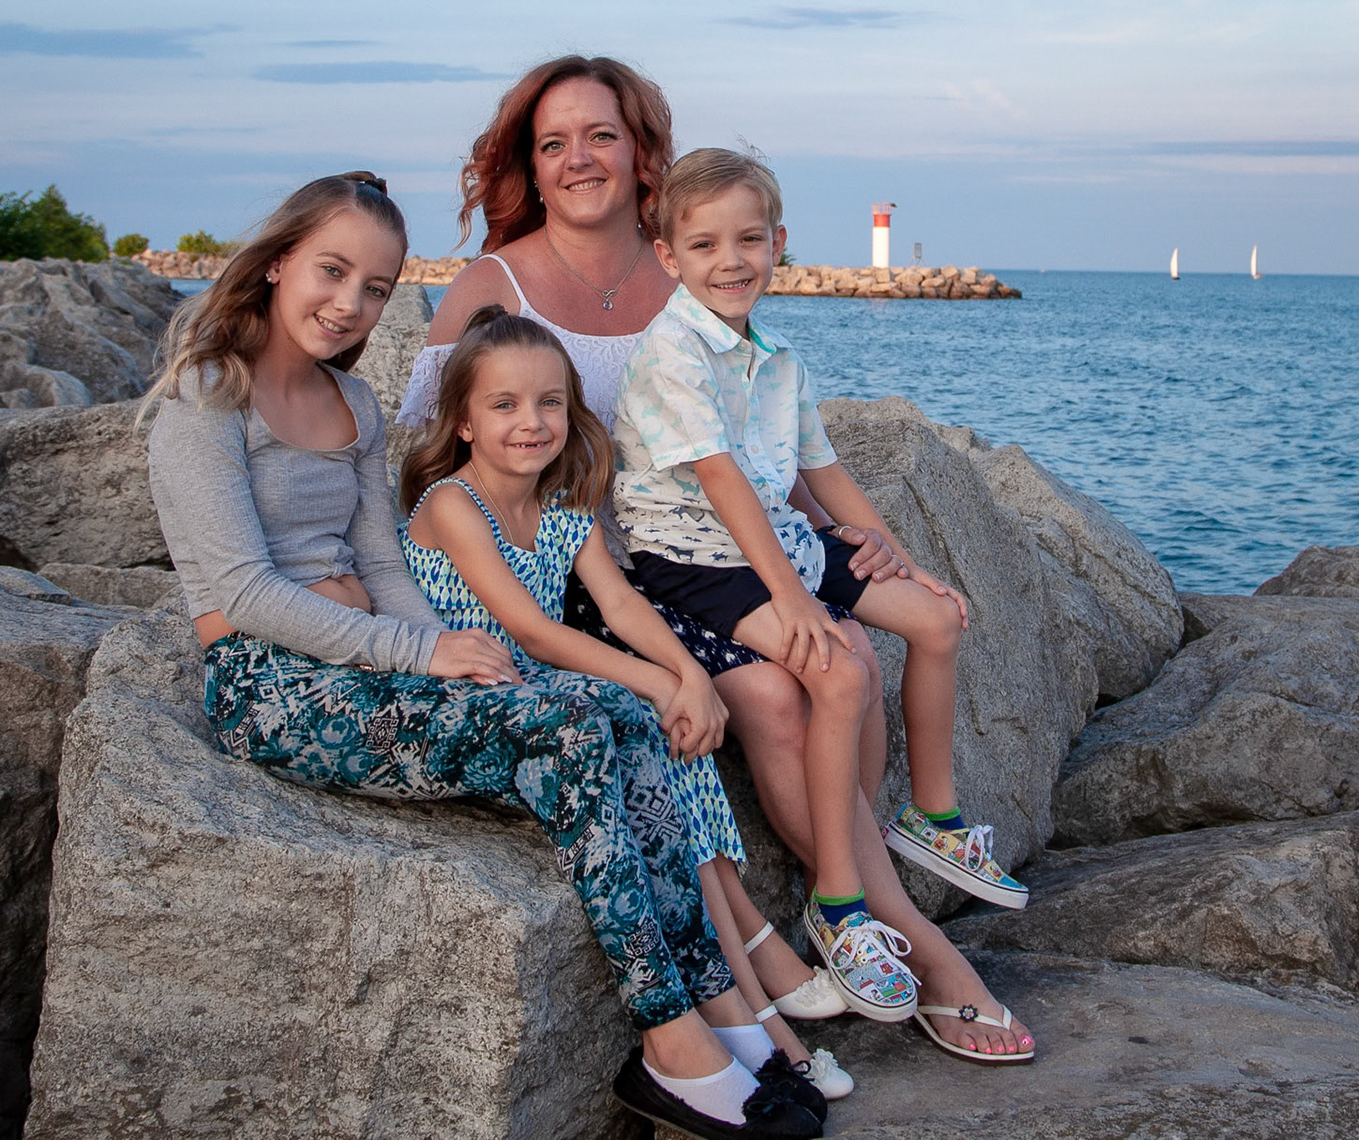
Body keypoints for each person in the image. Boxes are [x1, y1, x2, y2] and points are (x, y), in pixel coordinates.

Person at [143, 172, 822, 1140]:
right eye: (332, 271)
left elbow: (382, 564)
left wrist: (451, 653)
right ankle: (670, 1045)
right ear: (280, 261)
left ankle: (724, 1008)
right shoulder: (209, 399)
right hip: (269, 683)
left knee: (624, 714)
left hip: (371, 663)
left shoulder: (351, 403)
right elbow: (247, 593)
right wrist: (418, 650)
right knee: (570, 736)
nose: (350, 303)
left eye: (376, 288)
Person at [609, 147, 1033, 1061]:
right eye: (705, 244)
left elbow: (822, 470)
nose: (731, 260)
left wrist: (899, 558)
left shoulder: (778, 358)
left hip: (772, 537)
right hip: (695, 558)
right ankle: (840, 901)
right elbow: (720, 483)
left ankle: (933, 816)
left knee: (935, 618)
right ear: (668, 254)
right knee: (838, 669)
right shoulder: (671, 352)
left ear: (779, 242)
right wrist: (795, 596)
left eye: (749, 239)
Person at [397, 305, 852, 1101]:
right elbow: (533, 632)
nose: (532, 422)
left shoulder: (563, 504)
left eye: (550, 402)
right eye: (504, 405)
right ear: (464, 423)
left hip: (545, 685)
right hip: (480, 693)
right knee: (648, 717)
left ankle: (749, 987)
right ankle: (759, 1003)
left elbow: (622, 603)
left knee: (674, 737)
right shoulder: (452, 504)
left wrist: (686, 675)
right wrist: (660, 683)